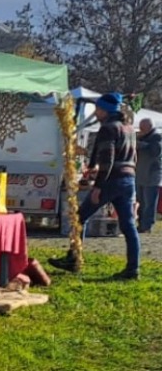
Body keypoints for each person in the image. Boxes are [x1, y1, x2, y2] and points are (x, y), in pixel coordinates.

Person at [52, 92, 139, 279]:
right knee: (128, 225)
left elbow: (108, 159)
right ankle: (133, 268)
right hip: (129, 179)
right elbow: (133, 157)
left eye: (98, 108)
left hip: (111, 181)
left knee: (80, 217)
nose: (96, 112)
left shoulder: (109, 128)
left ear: (105, 110)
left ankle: (73, 259)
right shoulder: (129, 128)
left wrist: (98, 186)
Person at [136, 117, 160, 234]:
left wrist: (141, 144)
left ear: (149, 127)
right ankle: (141, 224)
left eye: (142, 127)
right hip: (140, 174)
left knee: (149, 202)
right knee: (140, 202)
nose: (140, 129)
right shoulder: (141, 136)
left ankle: (147, 225)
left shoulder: (157, 136)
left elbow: (156, 151)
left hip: (151, 175)